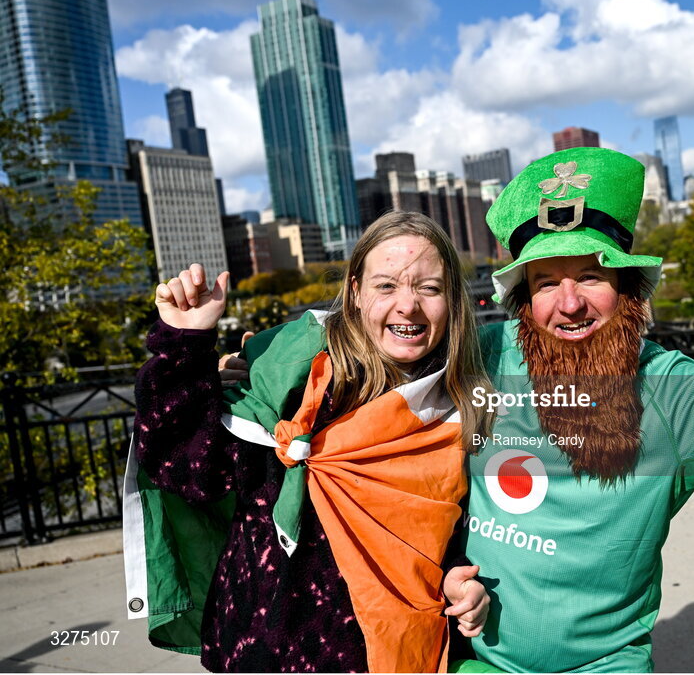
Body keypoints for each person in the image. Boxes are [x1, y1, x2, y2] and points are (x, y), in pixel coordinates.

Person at [220, 149, 694, 673]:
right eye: (543, 282)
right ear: (521, 298)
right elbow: (368, 328)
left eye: (590, 275)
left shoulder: (678, 394)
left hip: (605, 666)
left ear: (628, 289)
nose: (567, 304)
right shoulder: (473, 354)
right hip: (470, 659)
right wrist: (246, 362)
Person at [122, 211, 491, 673]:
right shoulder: (286, 377)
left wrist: (460, 577)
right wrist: (185, 342)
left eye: (429, 288)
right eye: (386, 286)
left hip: (394, 645)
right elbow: (191, 472)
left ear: (453, 299)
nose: (408, 306)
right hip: (270, 648)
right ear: (354, 292)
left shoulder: (461, 403)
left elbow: (445, 527)